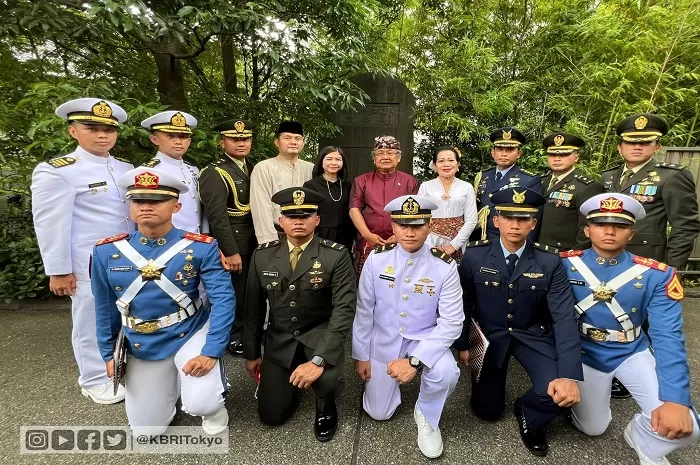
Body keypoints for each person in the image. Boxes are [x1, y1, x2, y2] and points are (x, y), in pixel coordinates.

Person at [91, 167, 236, 436]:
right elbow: (103, 307)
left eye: (157, 201)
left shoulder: (201, 247)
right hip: (140, 340)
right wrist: (107, 353)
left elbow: (223, 300)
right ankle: (169, 389)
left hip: (188, 331)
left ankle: (213, 405)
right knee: (146, 431)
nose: (146, 207)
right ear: (129, 206)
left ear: (176, 205)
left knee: (203, 402)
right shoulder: (106, 251)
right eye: (138, 201)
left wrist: (212, 350)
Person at [563, 193, 699, 465]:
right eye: (601, 224)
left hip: (631, 351)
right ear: (587, 230)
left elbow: (668, 337)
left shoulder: (657, 274)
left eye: (620, 226)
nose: (610, 231)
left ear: (631, 232)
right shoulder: (563, 264)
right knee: (593, 428)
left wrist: (676, 399)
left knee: (689, 428)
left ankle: (640, 436)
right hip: (583, 354)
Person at [455, 187, 582, 457]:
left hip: (532, 335)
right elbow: (463, 304)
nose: (515, 225)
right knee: (486, 412)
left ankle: (528, 412)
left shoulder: (549, 262)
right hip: (490, 336)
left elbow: (563, 317)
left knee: (558, 396)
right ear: (495, 221)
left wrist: (569, 374)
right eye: (508, 217)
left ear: (533, 223)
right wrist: (463, 344)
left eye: (523, 219)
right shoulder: (475, 256)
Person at [31, 97, 133, 404]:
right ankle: (93, 378)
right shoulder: (58, 171)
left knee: (126, 316)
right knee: (92, 320)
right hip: (87, 261)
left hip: (128, 257)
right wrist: (59, 269)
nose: (103, 135)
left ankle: (123, 368)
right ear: (73, 130)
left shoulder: (125, 168)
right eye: (92, 128)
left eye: (109, 129)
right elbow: (50, 223)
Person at [352, 195, 464, 459]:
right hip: (383, 338)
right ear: (393, 227)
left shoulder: (444, 265)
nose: (409, 232)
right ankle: (387, 385)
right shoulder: (376, 259)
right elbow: (364, 309)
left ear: (429, 225)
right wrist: (361, 354)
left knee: (447, 373)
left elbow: (452, 322)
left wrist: (414, 362)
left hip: (423, 337)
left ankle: (426, 412)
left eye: (417, 225)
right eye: (403, 225)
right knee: (379, 413)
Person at [243, 187, 357, 442]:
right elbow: (253, 308)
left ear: (316, 220)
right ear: (280, 221)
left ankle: (325, 402)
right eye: (291, 216)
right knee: (271, 416)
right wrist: (252, 353)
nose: (298, 221)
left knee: (326, 381)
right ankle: (289, 381)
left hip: (319, 334)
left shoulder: (335, 255)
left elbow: (343, 310)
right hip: (280, 336)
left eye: (305, 216)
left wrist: (319, 360)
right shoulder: (263, 256)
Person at [601, 113, 700, 267]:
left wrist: (672, 266)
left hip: (648, 259)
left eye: (646, 142)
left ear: (657, 146)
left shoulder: (671, 176)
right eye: (630, 142)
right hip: (606, 256)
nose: (637, 147)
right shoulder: (608, 176)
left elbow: (685, 225)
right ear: (619, 147)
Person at [199, 119, 257, 357]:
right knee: (233, 293)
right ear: (222, 142)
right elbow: (217, 216)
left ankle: (247, 333)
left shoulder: (252, 167)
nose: (241, 143)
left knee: (249, 293)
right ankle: (233, 337)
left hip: (253, 240)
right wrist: (230, 250)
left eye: (245, 139)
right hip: (234, 244)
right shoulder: (214, 172)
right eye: (235, 139)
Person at [349, 136, 419, 274]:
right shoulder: (362, 181)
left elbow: (415, 213)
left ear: (399, 157)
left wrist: (400, 235)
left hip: (401, 240)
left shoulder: (410, 182)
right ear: (374, 159)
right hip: (368, 241)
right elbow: (354, 209)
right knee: (367, 283)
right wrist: (367, 234)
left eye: (390, 153)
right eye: (380, 154)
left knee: (399, 280)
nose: (385, 157)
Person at [538, 133, 605, 249]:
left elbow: (587, 229)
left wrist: (576, 256)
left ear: (576, 157)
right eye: (552, 154)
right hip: (535, 249)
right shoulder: (540, 182)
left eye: (564, 154)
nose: (557, 159)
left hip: (564, 252)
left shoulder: (587, 187)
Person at [250, 121, 314, 244]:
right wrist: (268, 241)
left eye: (298, 138)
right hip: (277, 234)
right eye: (287, 138)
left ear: (303, 143)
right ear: (277, 142)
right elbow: (261, 206)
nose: (293, 142)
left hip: (308, 237)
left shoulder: (311, 168)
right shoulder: (264, 168)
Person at [472, 127, 541, 242]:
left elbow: (533, 218)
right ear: (493, 153)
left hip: (508, 240)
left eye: (509, 150)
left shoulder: (529, 179)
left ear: (519, 153)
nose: (504, 154)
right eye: (499, 149)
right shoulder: (483, 176)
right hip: (478, 238)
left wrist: (526, 248)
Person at [140, 111, 203, 233]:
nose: (178, 141)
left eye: (183, 136)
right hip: (166, 240)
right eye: (170, 136)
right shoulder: (148, 172)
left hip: (197, 238)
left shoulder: (193, 169)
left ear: (189, 142)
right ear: (154, 139)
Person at [418, 147, 478, 262]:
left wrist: (454, 246)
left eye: (451, 160)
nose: (446, 164)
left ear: (458, 164)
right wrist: (430, 245)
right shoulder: (426, 186)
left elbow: (471, 220)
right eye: (441, 161)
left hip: (458, 239)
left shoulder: (466, 187)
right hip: (429, 240)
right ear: (435, 166)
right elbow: (420, 218)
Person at [303, 146, 355, 251]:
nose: (334, 163)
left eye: (338, 159)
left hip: (345, 234)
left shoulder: (347, 185)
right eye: (329, 159)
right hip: (321, 233)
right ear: (321, 161)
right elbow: (308, 213)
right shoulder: (311, 185)